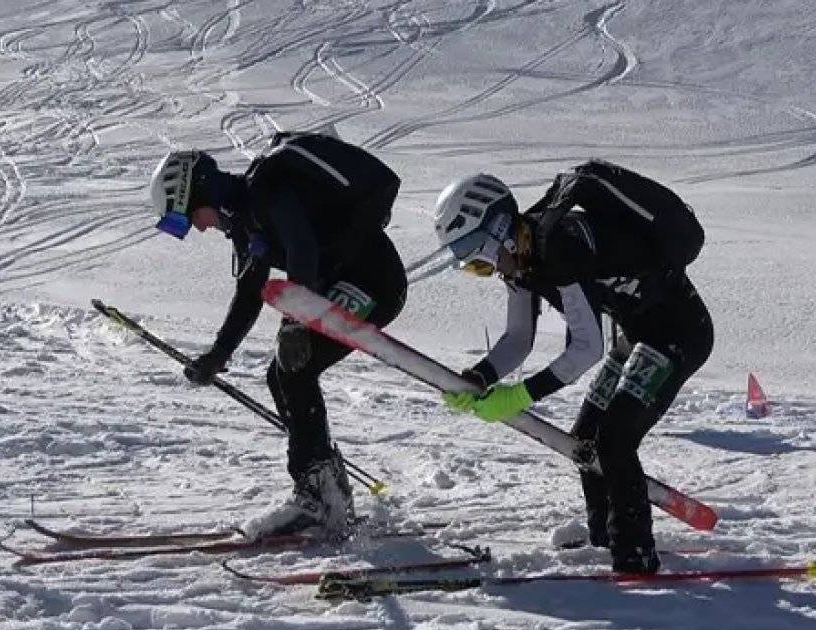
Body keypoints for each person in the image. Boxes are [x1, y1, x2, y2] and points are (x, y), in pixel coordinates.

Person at [434, 160, 714, 574]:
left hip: (679, 334)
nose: (485, 272)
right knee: (586, 438)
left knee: (616, 437)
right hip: (636, 333)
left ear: (498, 233)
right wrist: (479, 377)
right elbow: (517, 339)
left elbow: (586, 349)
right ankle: (605, 534)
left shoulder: (558, 245)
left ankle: (634, 554)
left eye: (477, 261)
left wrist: (520, 396)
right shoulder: (523, 259)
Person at [147, 132, 407, 538]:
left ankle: (317, 498)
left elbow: (302, 248)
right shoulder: (245, 221)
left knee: (292, 370)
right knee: (281, 374)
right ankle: (327, 489)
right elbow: (251, 290)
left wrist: (295, 324)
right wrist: (219, 353)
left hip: (374, 282)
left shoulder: (266, 192)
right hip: (345, 283)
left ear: (197, 193)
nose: (194, 229)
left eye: (183, 218)